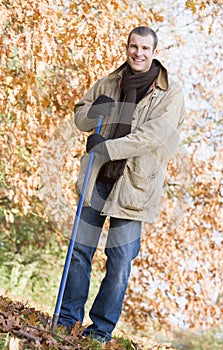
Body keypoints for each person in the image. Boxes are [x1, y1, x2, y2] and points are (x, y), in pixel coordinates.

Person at [58, 26, 185, 342]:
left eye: (145, 48)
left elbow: (152, 137)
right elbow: (80, 119)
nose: (138, 53)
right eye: (133, 46)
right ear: (127, 47)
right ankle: (65, 320)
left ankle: (99, 330)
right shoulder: (109, 82)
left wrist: (108, 147)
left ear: (155, 52)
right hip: (97, 179)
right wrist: (92, 112)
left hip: (135, 187)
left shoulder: (170, 94)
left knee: (118, 264)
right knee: (79, 251)